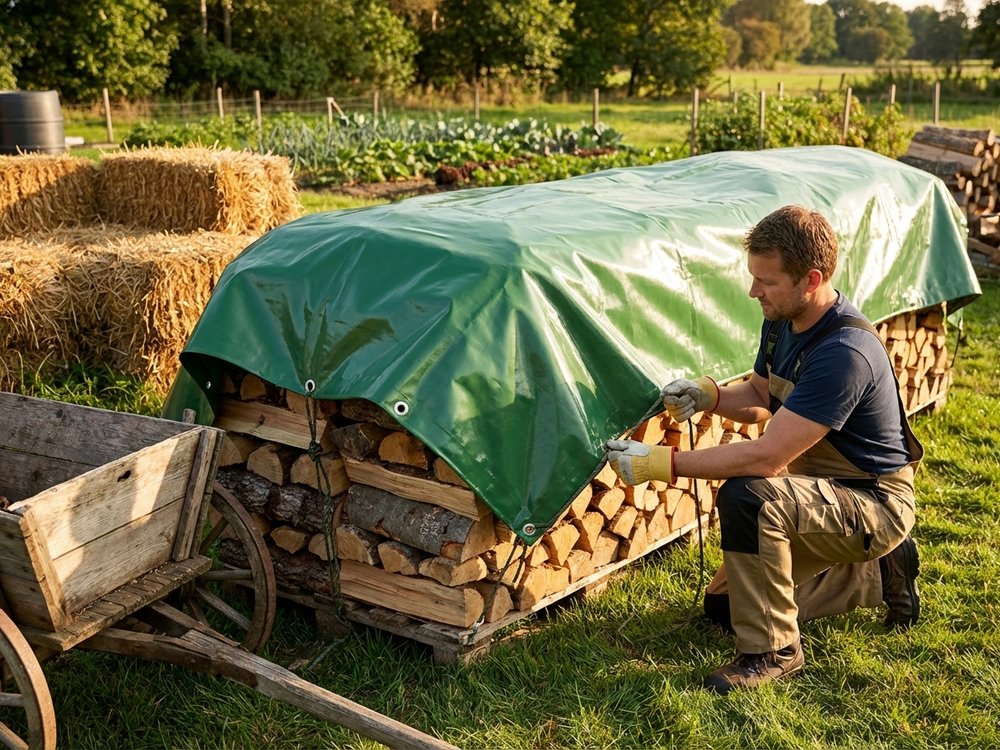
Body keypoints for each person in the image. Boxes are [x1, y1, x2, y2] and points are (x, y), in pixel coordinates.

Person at [605, 205, 922, 695]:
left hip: (872, 501)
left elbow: (766, 458)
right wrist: (709, 395)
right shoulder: (782, 321)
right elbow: (759, 397)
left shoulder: (844, 352)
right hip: (821, 489)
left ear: (811, 279)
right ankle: (881, 575)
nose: (754, 292)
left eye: (766, 281)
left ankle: (773, 652)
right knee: (724, 608)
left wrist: (658, 464)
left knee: (749, 497)